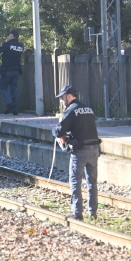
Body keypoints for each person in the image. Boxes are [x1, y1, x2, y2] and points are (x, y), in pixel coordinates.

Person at [52, 85, 101, 220]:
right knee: (92, 182)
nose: (61, 101)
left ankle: (77, 213)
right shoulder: (88, 109)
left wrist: (56, 128)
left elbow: (59, 131)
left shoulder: (71, 110)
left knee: (75, 181)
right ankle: (93, 212)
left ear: (69, 96)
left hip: (80, 151)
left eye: (62, 98)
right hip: (94, 149)